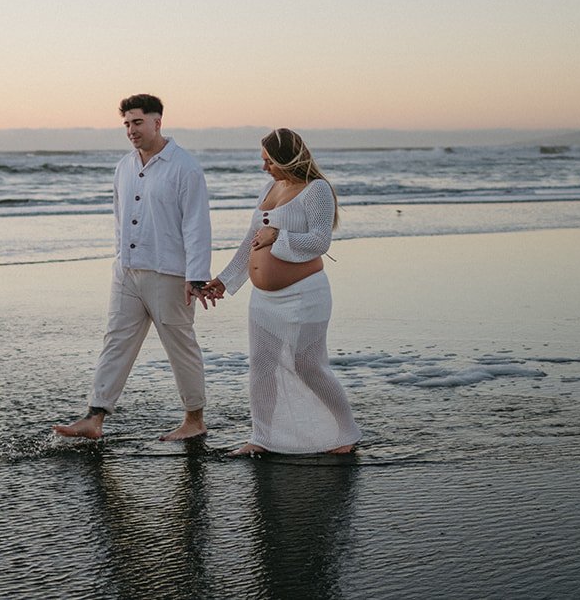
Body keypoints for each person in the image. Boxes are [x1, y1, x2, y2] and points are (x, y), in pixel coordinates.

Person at [55, 94, 214, 442]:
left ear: (158, 122)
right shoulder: (124, 166)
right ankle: (95, 417)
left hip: (169, 274)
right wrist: (119, 261)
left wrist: (196, 277)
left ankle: (194, 419)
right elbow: (119, 218)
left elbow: (197, 225)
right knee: (116, 341)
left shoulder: (184, 166)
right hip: (127, 272)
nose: (131, 130)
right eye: (126, 123)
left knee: (180, 346)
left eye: (137, 122)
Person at [202, 128, 359, 455]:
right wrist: (225, 279)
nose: (264, 168)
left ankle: (345, 433)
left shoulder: (317, 190)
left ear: (287, 158)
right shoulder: (269, 187)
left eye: (268, 161)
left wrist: (279, 235)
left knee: (308, 364)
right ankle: (263, 438)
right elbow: (251, 241)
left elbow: (320, 241)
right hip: (264, 299)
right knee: (261, 365)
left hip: (305, 294)